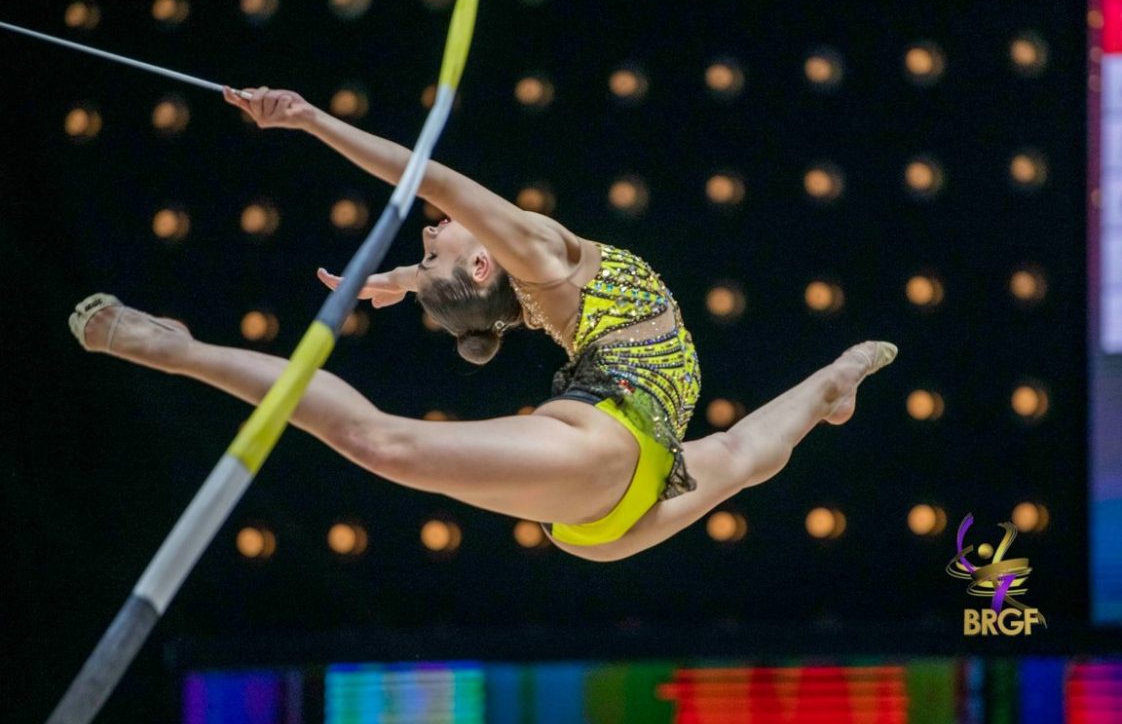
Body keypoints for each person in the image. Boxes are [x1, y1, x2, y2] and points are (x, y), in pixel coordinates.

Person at [68, 86, 897, 562]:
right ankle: (176, 349)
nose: (433, 227)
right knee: (383, 443)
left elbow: (455, 255)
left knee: (747, 458)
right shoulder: (539, 257)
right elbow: (429, 178)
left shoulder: (533, 288)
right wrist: (309, 120)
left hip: (607, 513)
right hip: (610, 455)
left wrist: (405, 278)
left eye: (426, 244)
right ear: (479, 264)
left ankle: (835, 380)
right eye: (436, 245)